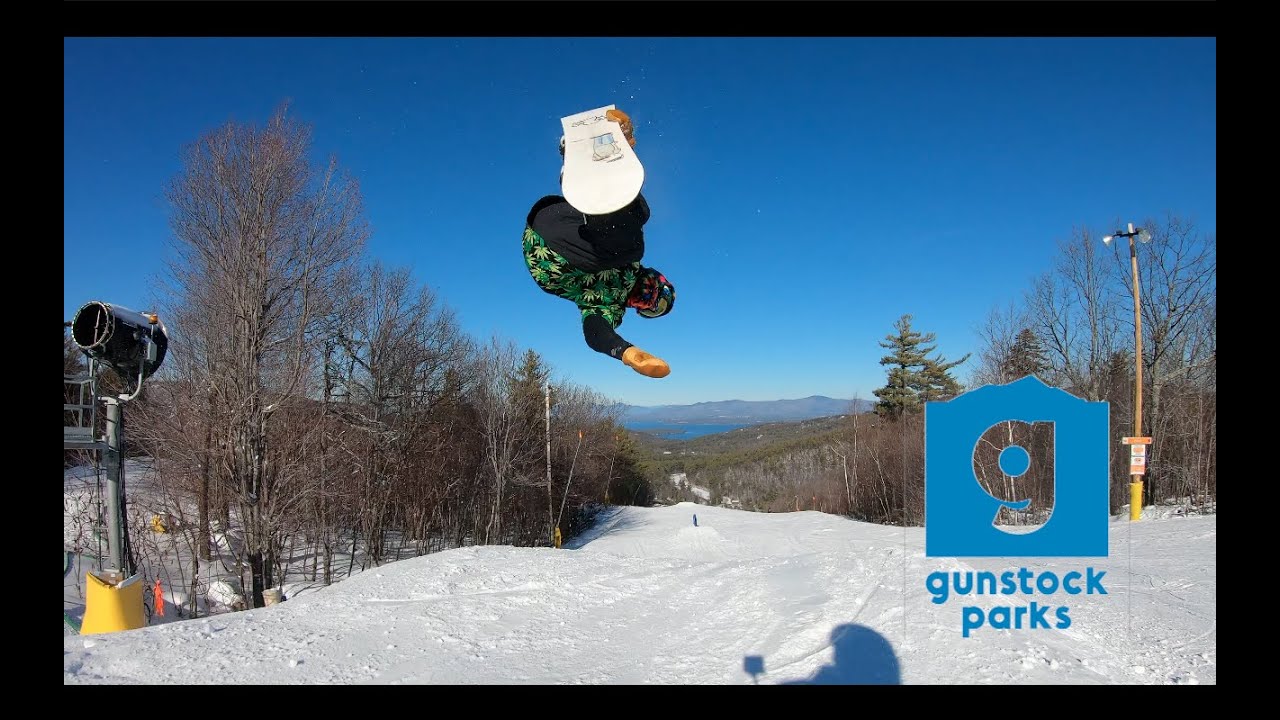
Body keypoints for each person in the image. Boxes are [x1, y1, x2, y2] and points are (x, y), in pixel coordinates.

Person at [521, 108, 675, 379]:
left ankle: (596, 163)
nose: (642, 298)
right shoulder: (631, 260)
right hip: (555, 221)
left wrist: (625, 351)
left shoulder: (610, 307)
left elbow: (595, 332)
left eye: (645, 306)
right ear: (653, 279)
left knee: (630, 241)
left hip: (552, 260)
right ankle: (592, 157)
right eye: (651, 295)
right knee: (638, 223)